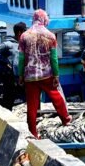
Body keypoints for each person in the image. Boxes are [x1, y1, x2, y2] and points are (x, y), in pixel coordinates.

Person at [18, 9, 71, 137]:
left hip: (30, 76)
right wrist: (56, 75)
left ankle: (33, 132)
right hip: (46, 74)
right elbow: (54, 59)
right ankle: (66, 120)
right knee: (56, 97)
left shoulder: (24, 36)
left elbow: (21, 58)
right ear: (44, 19)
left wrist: (20, 75)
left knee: (32, 104)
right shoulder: (50, 36)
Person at [0, 21, 27, 109]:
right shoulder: (8, 44)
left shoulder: (24, 45)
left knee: (25, 97)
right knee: (8, 99)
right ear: (20, 33)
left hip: (21, 77)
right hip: (10, 77)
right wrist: (5, 62)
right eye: (25, 32)